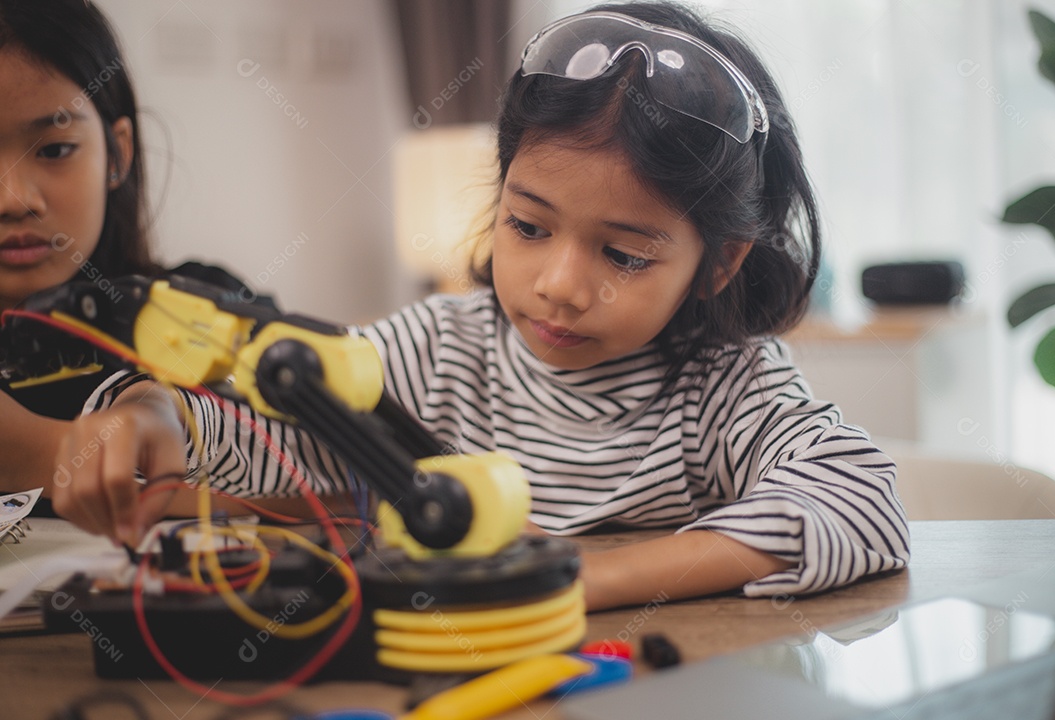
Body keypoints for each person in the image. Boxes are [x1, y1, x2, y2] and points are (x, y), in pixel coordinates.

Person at [49, 1, 910, 611]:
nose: (560, 283)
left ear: (719, 264)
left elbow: (862, 496)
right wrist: (160, 415)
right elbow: (286, 436)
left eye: (623, 254)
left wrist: (589, 578)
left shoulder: (726, 387)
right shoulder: (439, 350)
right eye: (528, 226)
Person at [0, 0, 286, 519]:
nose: (14, 199)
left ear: (118, 154)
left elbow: (331, 486)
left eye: (55, 150)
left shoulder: (201, 309)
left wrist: (34, 453)